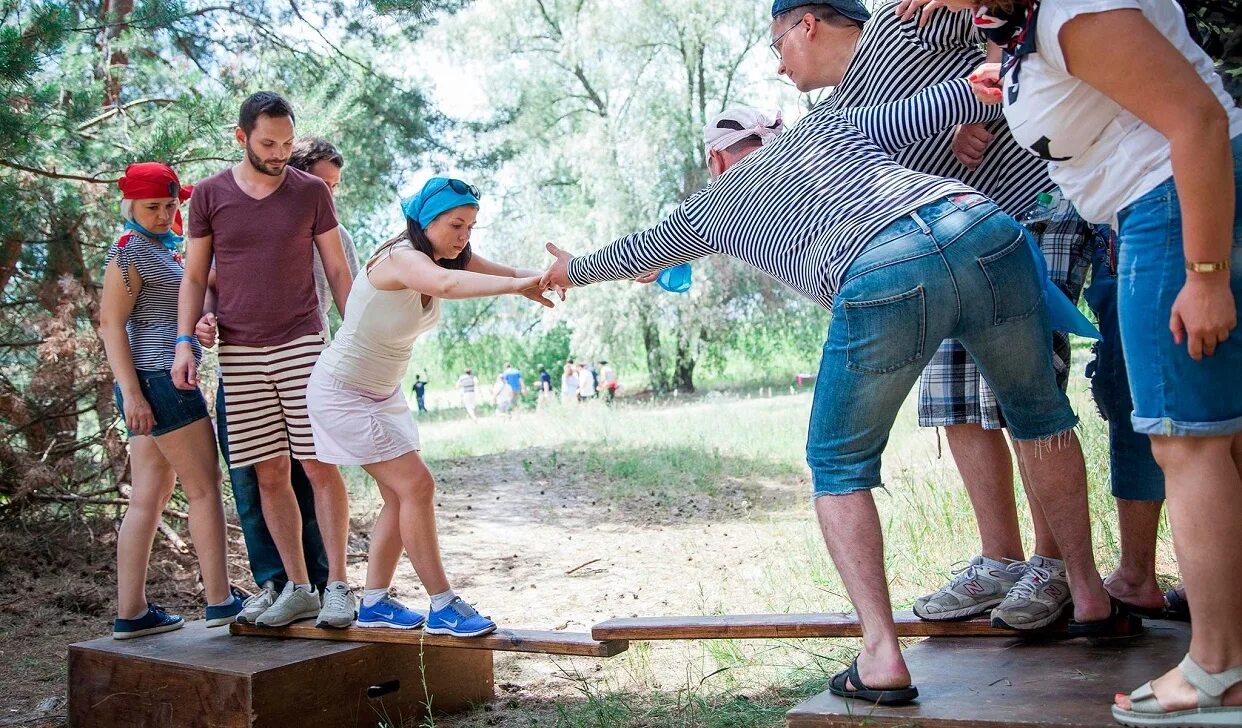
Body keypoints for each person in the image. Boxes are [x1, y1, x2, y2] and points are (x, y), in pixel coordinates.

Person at [542, 58, 1118, 701]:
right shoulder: (826, 123)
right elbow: (929, 109)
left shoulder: (713, 208)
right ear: (774, 132)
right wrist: (988, 85)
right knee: (1040, 415)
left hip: (886, 267)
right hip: (981, 224)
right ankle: (1090, 594)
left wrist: (575, 268)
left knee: (838, 464)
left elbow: (636, 251)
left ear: (716, 160)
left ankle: (881, 658)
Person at [941, 0, 1242, 718]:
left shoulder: (1072, 10)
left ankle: (1219, 670)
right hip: (1160, 204)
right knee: (1215, 440)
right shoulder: (1038, 23)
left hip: (1172, 205)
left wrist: (1203, 276)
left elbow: (1196, 119)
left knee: (1188, 441)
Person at [780, 0, 1095, 631]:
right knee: (954, 402)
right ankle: (1000, 559)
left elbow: (1009, 26)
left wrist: (988, 98)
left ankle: (1055, 566)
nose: (780, 66)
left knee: (1026, 399)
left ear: (807, 24)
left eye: (777, 46)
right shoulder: (834, 113)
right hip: (945, 244)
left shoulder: (903, 24)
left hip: (1027, 204)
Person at [306, 177, 550, 636]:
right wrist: (517, 285)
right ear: (425, 220)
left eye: (471, 226)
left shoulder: (444, 252)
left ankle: (375, 602)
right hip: (343, 393)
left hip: (383, 392)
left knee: (402, 496)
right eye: (456, 224)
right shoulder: (402, 257)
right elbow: (446, 284)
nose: (464, 236)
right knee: (417, 486)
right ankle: (443, 604)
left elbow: (495, 268)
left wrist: (534, 281)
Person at [175, 91, 356, 629]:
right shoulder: (208, 196)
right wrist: (186, 340)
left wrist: (354, 339)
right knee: (269, 473)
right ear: (242, 138)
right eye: (268, 144)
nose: (279, 154)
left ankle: (339, 586)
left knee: (319, 467)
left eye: (286, 143)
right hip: (239, 350)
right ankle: (297, 587)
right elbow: (194, 276)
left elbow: (340, 271)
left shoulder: (311, 195)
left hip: (302, 342)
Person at [99, 163, 242, 638]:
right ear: (131, 207)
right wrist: (133, 396)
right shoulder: (128, 254)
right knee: (204, 486)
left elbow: (182, 303)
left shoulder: (165, 248)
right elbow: (111, 326)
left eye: (168, 205)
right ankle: (221, 601)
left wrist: (203, 322)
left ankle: (132, 613)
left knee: (150, 495)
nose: (163, 215)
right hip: (158, 381)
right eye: (151, 207)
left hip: (157, 381)